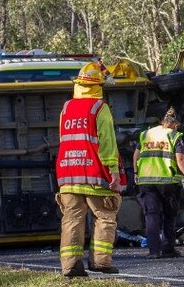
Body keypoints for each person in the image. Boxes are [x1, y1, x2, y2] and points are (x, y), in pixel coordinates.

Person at [55, 62, 122, 277]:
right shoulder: (99, 108)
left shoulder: (66, 108)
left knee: (72, 219)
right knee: (105, 215)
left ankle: (71, 266)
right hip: (93, 174)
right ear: (98, 86)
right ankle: (101, 262)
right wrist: (113, 171)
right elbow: (107, 142)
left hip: (67, 174)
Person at [133, 106, 184, 259]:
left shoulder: (146, 134)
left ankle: (154, 251)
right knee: (169, 215)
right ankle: (168, 249)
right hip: (168, 182)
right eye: (177, 125)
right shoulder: (174, 135)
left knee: (151, 215)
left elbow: (136, 155)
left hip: (146, 180)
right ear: (175, 124)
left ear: (162, 121)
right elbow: (180, 159)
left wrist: (135, 172)